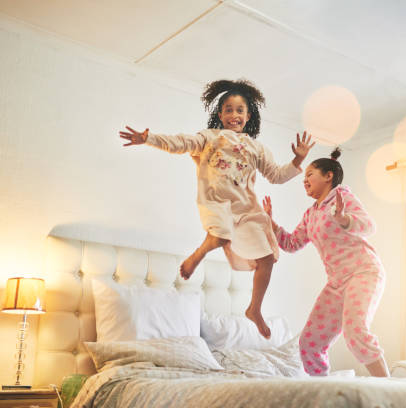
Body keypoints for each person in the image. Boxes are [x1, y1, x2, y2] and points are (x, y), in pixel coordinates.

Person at [119, 79, 315, 339]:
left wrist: (298, 159)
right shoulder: (209, 137)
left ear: (248, 116)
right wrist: (148, 138)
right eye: (229, 109)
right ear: (220, 114)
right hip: (216, 201)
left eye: (239, 110)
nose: (234, 115)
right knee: (221, 236)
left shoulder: (256, 147)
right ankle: (200, 252)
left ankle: (254, 308)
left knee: (267, 257)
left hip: (246, 207)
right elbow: (181, 143)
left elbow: (277, 175)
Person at [262, 148, 389, 377]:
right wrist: (271, 223)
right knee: (309, 343)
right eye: (304, 177)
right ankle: (324, 392)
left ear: (328, 175)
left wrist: (344, 218)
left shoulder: (343, 197)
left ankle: (390, 390)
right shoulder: (311, 214)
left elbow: (369, 226)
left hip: (363, 272)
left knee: (356, 331)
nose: (305, 180)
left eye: (310, 174)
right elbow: (292, 244)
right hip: (337, 283)